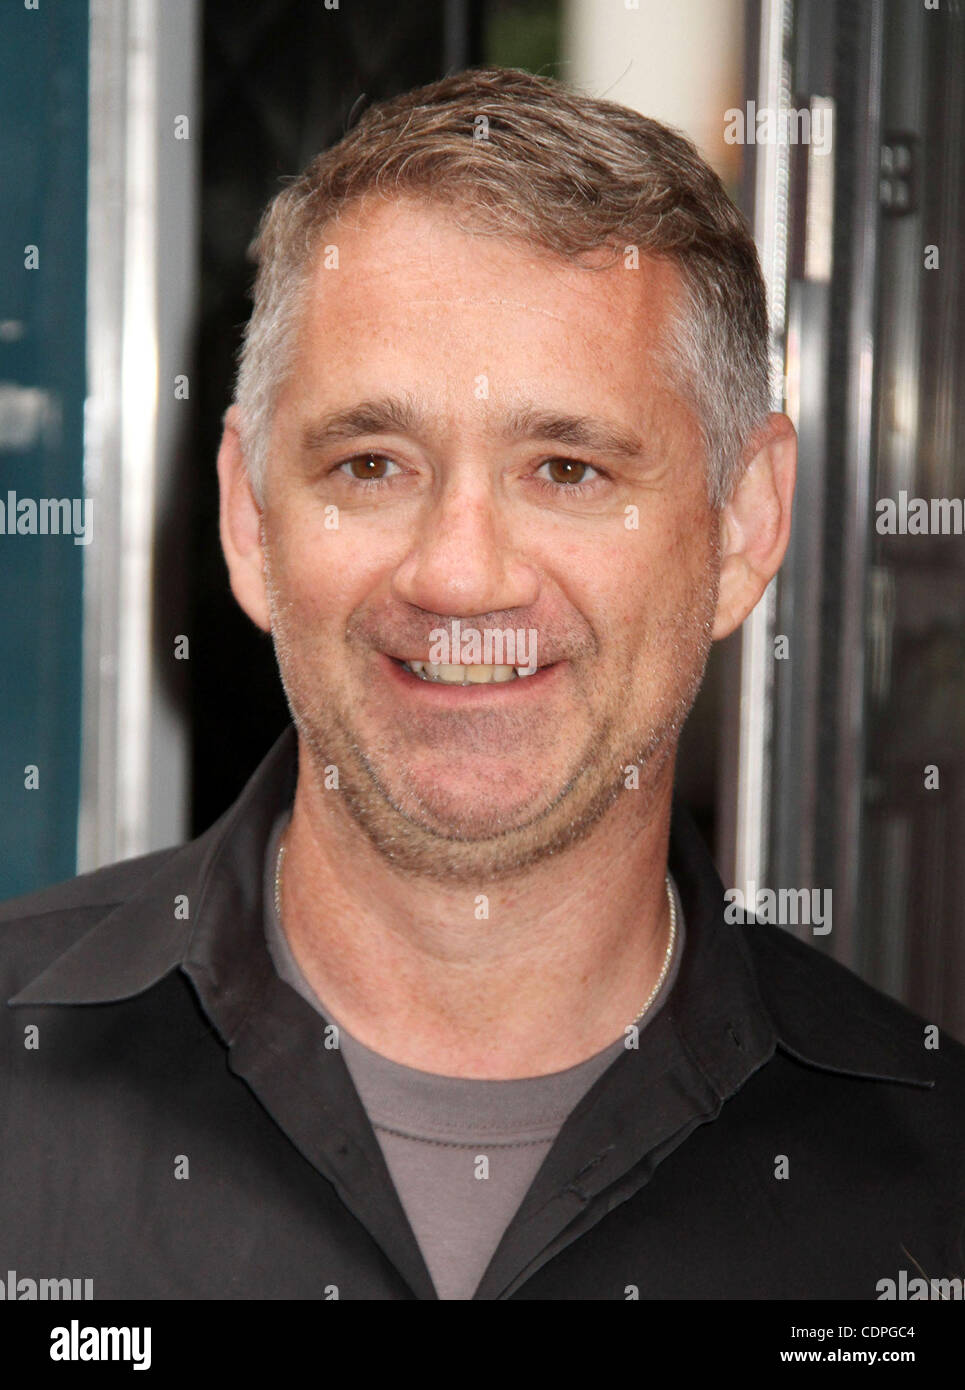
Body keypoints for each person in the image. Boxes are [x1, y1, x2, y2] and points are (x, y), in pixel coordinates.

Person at [2, 67, 963, 1303]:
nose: (458, 574)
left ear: (741, 525)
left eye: (566, 469)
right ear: (248, 516)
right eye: (371, 463)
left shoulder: (930, 1198)